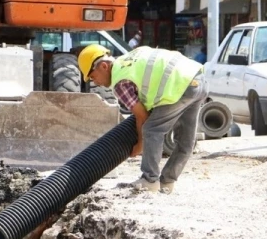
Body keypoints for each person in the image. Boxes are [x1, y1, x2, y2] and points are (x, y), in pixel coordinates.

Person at [78, 44, 208, 193]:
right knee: (185, 140)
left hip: (180, 86)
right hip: (198, 78)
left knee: (152, 130)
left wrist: (139, 146)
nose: (95, 82)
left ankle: (149, 179)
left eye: (93, 76)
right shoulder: (129, 58)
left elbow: (142, 116)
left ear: (103, 66)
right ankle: (167, 182)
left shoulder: (120, 83)